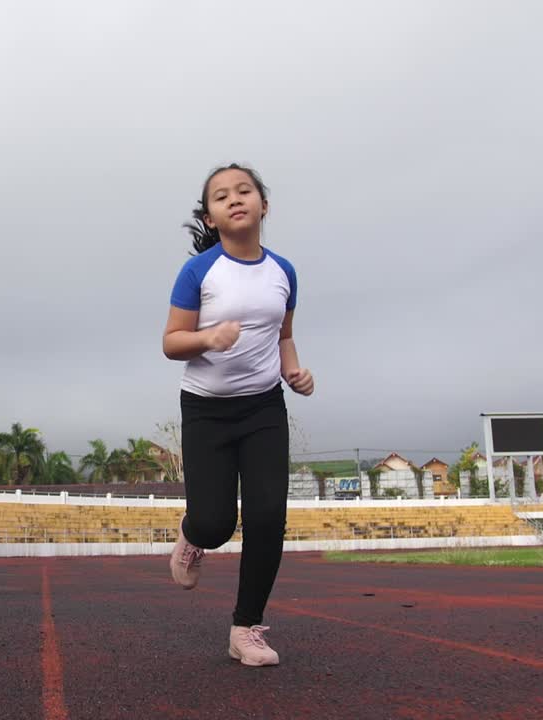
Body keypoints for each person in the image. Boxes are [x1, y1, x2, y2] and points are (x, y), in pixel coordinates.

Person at [161, 163, 314, 667]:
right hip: (206, 411)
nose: (235, 199)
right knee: (215, 522)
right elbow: (172, 342)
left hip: (264, 407)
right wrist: (208, 337)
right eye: (222, 196)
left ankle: (245, 629)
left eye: (244, 191)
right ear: (212, 215)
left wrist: (294, 372)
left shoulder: (283, 272)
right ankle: (193, 536)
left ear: (263, 205)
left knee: (269, 516)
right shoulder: (199, 272)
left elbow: (283, 335)